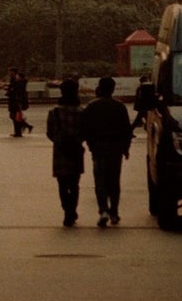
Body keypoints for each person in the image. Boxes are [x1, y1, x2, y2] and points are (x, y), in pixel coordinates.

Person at [80, 75, 133, 227]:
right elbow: (126, 130)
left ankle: (103, 209)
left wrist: (90, 144)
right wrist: (126, 148)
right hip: (116, 148)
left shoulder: (91, 106)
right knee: (114, 181)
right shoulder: (119, 106)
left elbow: (86, 128)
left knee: (100, 180)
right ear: (113, 89)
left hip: (98, 147)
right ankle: (114, 212)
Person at [46, 77, 88, 226]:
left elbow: (50, 133)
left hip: (60, 152)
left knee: (62, 184)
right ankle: (72, 210)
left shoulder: (54, 112)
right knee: (74, 184)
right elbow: (85, 132)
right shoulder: (82, 112)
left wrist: (60, 141)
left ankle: (67, 211)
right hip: (76, 151)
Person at [6, 70, 33, 136]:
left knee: (15, 116)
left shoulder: (20, 83)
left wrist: (10, 91)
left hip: (16, 101)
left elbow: (16, 91)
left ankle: (19, 131)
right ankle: (22, 128)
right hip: (16, 100)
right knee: (15, 116)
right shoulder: (18, 82)